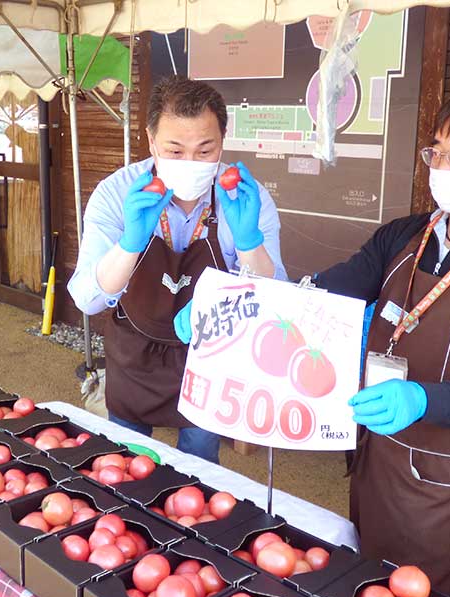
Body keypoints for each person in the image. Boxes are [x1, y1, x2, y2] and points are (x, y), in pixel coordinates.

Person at [177, 89, 450, 597]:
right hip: (375, 449)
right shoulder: (403, 236)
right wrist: (224, 302)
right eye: (436, 151)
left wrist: (420, 398)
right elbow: (315, 299)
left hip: (447, 474)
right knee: (366, 587)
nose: (442, 166)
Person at [69, 76, 287, 464]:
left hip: (211, 353)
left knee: (200, 462)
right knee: (125, 460)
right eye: (174, 150)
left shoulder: (245, 197)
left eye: (206, 151)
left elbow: (276, 298)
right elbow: (87, 299)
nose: (191, 164)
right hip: (135, 354)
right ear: (151, 141)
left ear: (223, 140)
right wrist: (129, 244)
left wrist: (250, 242)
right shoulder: (117, 193)